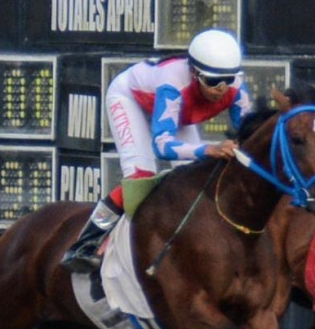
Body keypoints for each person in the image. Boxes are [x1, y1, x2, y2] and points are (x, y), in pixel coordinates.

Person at [61, 28, 251, 273]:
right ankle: (86, 243)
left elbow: (249, 135)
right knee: (141, 177)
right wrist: (209, 150)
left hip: (179, 112)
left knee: (195, 183)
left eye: (228, 79)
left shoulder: (236, 87)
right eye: (213, 81)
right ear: (194, 73)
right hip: (130, 99)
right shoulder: (172, 83)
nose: (221, 88)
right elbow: (162, 145)